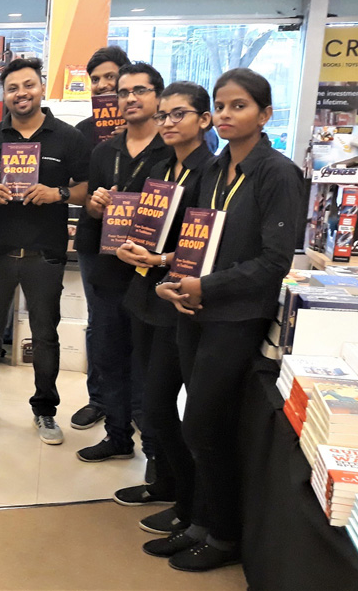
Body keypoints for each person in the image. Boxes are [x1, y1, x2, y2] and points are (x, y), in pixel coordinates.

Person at [155, 69, 301, 572]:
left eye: (239, 105)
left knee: (204, 424)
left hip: (237, 316)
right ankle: (200, 521)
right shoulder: (216, 169)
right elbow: (195, 241)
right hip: (195, 309)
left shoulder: (277, 173)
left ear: (264, 115)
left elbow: (275, 260)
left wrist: (208, 287)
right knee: (199, 424)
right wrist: (174, 279)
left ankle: (224, 535)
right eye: (220, 105)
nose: (225, 114)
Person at [0, 58, 90, 445]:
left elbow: (88, 186)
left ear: (41, 87)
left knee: (45, 336)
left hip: (44, 254)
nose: (21, 93)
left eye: (28, 85)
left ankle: (45, 410)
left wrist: (59, 193)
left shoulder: (67, 137)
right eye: (13, 88)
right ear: (4, 94)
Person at [111, 82, 214, 539]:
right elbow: (139, 221)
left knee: (158, 404)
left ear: (203, 120)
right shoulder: (160, 167)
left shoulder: (210, 172)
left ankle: (188, 505)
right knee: (150, 404)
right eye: (164, 116)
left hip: (179, 301)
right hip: (146, 294)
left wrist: (161, 258)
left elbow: (207, 243)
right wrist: (128, 244)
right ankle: (167, 485)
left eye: (179, 114)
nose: (168, 123)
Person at [75, 62, 171, 464]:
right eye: (124, 92)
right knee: (108, 355)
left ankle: (154, 450)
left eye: (140, 91)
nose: (130, 98)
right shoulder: (104, 151)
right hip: (109, 268)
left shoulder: (171, 150)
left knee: (147, 364)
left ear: (158, 97)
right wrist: (95, 205)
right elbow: (90, 209)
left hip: (152, 273)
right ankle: (117, 436)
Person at [69, 45, 131, 433]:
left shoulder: (155, 131)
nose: (104, 85)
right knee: (100, 323)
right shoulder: (84, 131)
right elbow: (75, 187)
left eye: (111, 77)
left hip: (141, 241)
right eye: (96, 79)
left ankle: (134, 405)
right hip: (95, 239)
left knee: (135, 321)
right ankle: (100, 399)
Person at [75, 45, 130, 149]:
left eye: (110, 76)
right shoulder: (81, 131)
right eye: (95, 80)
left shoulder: (144, 127)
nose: (101, 85)